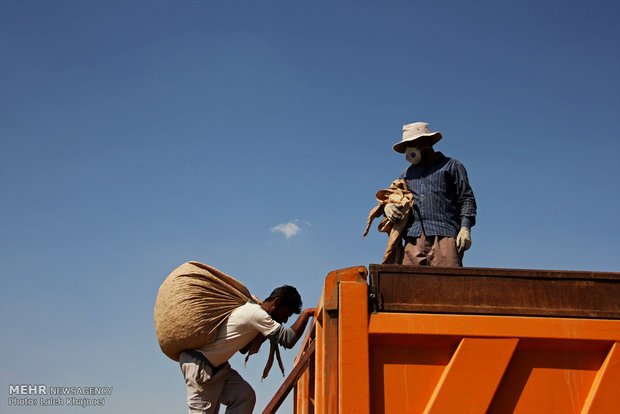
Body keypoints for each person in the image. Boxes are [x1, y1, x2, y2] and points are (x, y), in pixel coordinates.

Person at [178, 285, 316, 414]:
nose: (285, 320)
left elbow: (244, 349)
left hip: (218, 366)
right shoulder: (257, 314)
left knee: (244, 396)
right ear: (277, 303)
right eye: (286, 314)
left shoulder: (255, 311)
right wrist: (306, 314)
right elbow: (288, 340)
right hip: (201, 364)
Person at [384, 121, 477, 267]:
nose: (410, 148)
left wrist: (465, 228)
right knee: (410, 286)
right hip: (413, 240)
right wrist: (388, 207)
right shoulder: (406, 175)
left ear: (426, 141)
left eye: (414, 142)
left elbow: (466, 199)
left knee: (448, 285)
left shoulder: (451, 166)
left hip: (445, 236)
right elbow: (397, 197)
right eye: (408, 145)